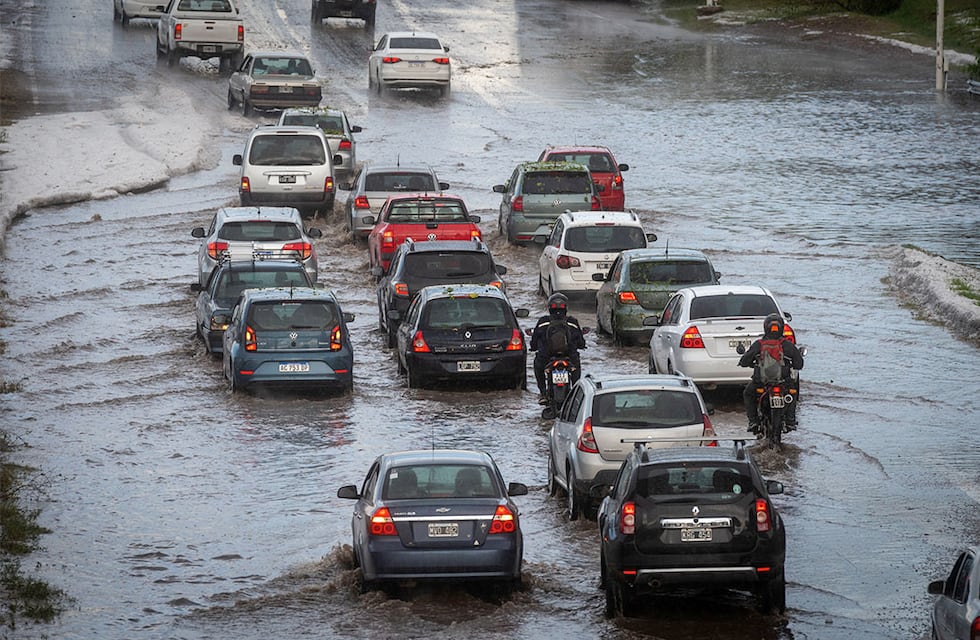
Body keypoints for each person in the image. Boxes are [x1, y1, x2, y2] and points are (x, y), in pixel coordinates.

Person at [738, 313, 804, 433]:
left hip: (761, 383)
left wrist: (748, 363)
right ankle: (790, 421)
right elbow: (799, 364)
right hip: (784, 382)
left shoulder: (759, 344)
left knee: (748, 394)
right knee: (793, 394)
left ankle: (753, 422)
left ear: (765, 327)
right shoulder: (788, 345)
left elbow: (744, 360)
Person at [530, 293, 586, 404]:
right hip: (570, 357)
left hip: (546, 357)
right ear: (566, 307)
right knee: (576, 369)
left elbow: (534, 342)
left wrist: (533, 347)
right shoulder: (572, 322)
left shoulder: (543, 322)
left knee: (538, 366)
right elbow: (580, 342)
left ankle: (543, 393)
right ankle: (575, 394)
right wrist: (581, 345)